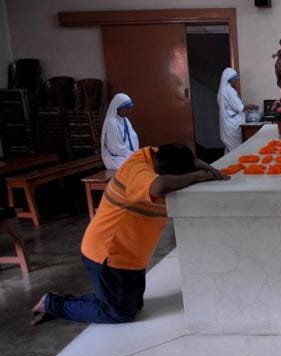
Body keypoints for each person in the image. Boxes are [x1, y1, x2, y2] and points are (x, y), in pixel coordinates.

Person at [31, 144, 229, 325]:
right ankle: (52, 305)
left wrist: (207, 169)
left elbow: (190, 161)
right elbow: (160, 186)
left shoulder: (158, 153)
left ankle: (59, 300)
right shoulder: (138, 170)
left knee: (132, 304)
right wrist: (198, 176)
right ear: (161, 167)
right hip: (109, 253)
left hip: (131, 254)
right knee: (120, 313)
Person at [217, 67, 258, 153]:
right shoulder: (229, 91)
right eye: (234, 79)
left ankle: (226, 163)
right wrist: (253, 106)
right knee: (235, 148)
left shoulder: (221, 91)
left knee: (229, 148)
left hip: (228, 121)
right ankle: (233, 163)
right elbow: (241, 108)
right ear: (229, 79)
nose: (235, 81)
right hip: (232, 123)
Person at [101, 93, 139, 170]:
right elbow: (116, 148)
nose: (129, 111)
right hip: (115, 158)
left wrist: (135, 154)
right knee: (136, 166)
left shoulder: (125, 120)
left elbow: (133, 139)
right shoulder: (112, 123)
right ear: (118, 108)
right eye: (127, 108)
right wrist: (132, 155)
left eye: (130, 108)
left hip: (127, 155)